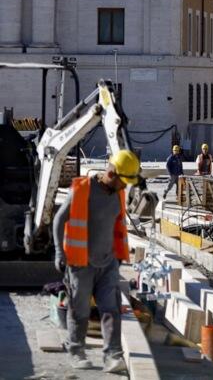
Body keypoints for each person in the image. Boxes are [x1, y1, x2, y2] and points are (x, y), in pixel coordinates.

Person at [52, 150, 140, 373]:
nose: (125, 187)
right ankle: (76, 352)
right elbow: (58, 220)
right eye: (123, 181)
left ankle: (113, 356)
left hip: (108, 263)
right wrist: (59, 253)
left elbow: (116, 226)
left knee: (111, 310)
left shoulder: (118, 194)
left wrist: (120, 256)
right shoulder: (83, 190)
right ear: (111, 173)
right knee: (79, 311)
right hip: (81, 264)